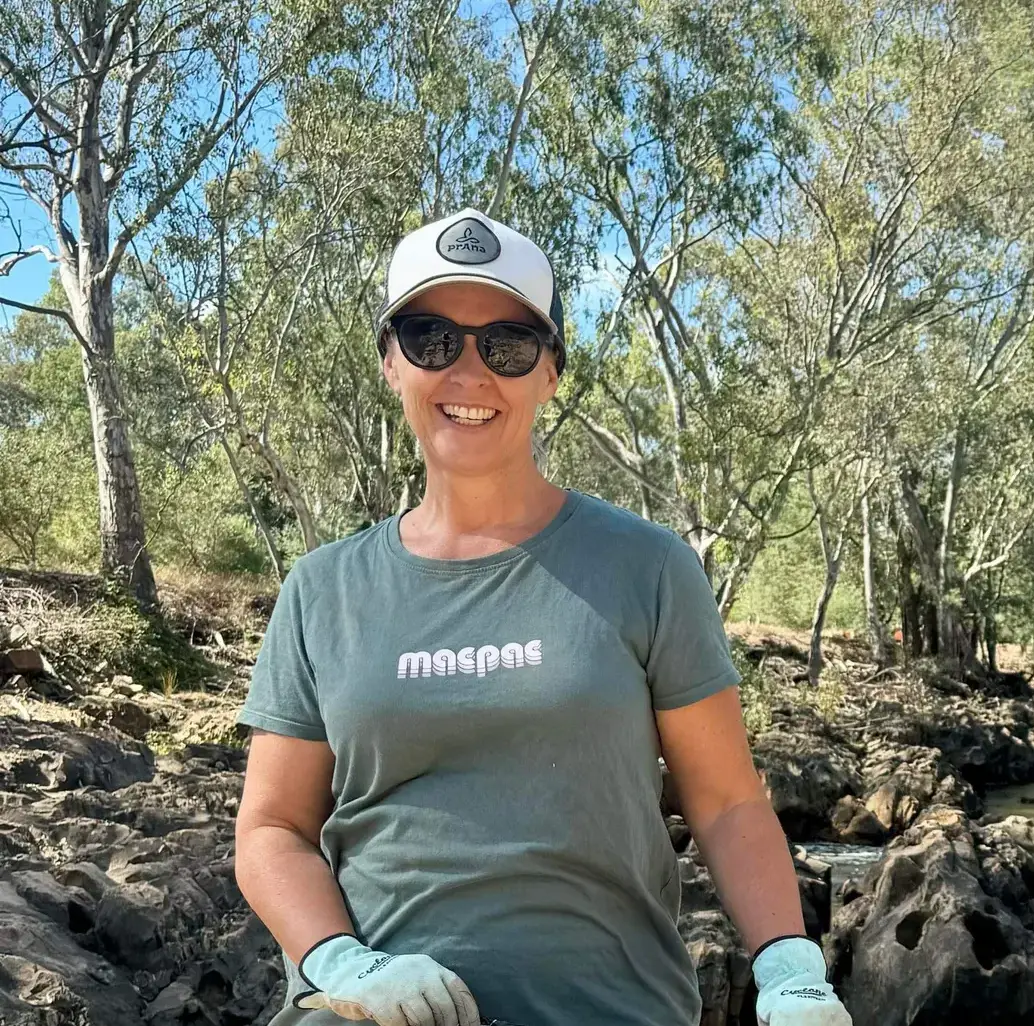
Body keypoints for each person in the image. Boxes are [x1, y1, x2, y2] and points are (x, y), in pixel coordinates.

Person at [232, 208, 853, 1026]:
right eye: (430, 339)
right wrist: (344, 962)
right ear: (390, 362)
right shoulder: (321, 589)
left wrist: (791, 970)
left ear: (551, 372)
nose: (469, 371)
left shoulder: (648, 565)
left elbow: (729, 803)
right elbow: (273, 827)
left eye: (508, 346)